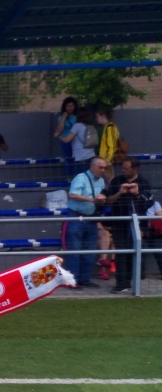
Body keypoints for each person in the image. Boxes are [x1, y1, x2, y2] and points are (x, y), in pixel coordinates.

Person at [105, 159, 153, 294]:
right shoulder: (116, 181)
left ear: (135, 169)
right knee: (120, 252)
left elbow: (148, 204)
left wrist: (137, 193)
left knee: (134, 252)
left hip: (137, 224)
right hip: (119, 223)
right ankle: (121, 283)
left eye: (126, 168)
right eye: (123, 167)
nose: (123, 170)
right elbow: (108, 201)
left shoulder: (144, 183)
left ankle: (133, 280)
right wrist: (120, 192)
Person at [64, 157, 107, 289]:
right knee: (75, 251)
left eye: (104, 168)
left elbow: (100, 196)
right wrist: (93, 200)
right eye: (100, 167)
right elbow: (72, 195)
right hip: (77, 217)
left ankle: (84, 279)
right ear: (92, 166)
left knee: (89, 251)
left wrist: (102, 199)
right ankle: (72, 280)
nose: (103, 170)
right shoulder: (80, 177)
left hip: (91, 218)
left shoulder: (101, 181)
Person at [56, 108, 95, 177]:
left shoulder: (77, 126)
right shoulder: (90, 126)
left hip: (80, 157)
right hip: (91, 156)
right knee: (91, 178)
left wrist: (58, 136)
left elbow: (67, 140)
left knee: (81, 178)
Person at [54, 96, 78, 161]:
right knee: (68, 160)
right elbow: (59, 130)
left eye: (72, 105)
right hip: (65, 141)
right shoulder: (61, 117)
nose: (70, 108)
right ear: (65, 107)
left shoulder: (77, 116)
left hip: (76, 141)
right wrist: (63, 117)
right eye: (68, 106)